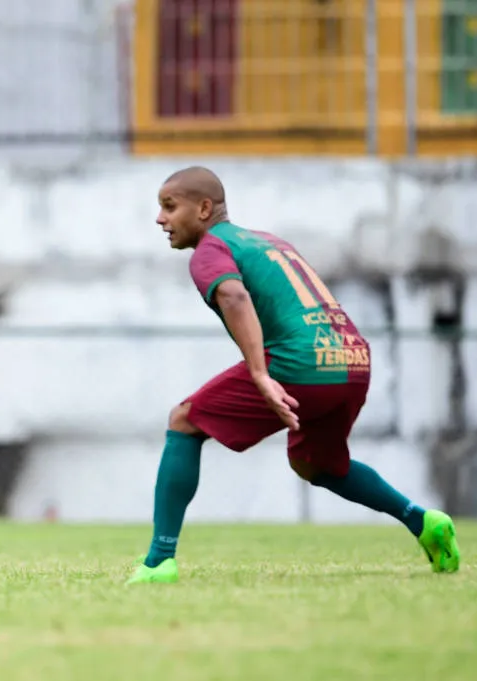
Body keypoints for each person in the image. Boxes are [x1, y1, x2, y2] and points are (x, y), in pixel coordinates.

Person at [127, 166, 460, 585]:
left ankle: (159, 562)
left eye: (169, 207)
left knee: (184, 420)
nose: (160, 218)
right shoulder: (268, 242)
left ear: (204, 208)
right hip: (353, 360)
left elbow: (233, 295)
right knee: (316, 463)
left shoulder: (210, 250)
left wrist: (261, 374)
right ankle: (423, 522)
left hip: (301, 363)